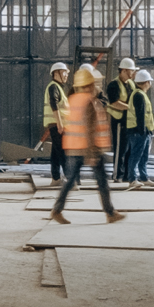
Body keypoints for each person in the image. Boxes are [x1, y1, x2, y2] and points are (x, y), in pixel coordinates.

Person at [48, 64, 122, 224]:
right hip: (89, 148)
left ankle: (57, 210)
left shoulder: (73, 99)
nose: (96, 86)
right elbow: (90, 129)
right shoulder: (89, 102)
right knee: (102, 180)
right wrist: (92, 154)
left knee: (70, 181)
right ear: (88, 84)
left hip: (73, 147)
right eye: (94, 83)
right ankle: (110, 213)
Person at [125, 67, 154, 182]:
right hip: (138, 131)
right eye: (149, 82)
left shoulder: (140, 94)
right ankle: (132, 179)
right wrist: (143, 131)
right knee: (136, 156)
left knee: (143, 157)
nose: (150, 84)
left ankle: (144, 178)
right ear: (146, 82)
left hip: (143, 131)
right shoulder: (139, 95)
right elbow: (140, 115)